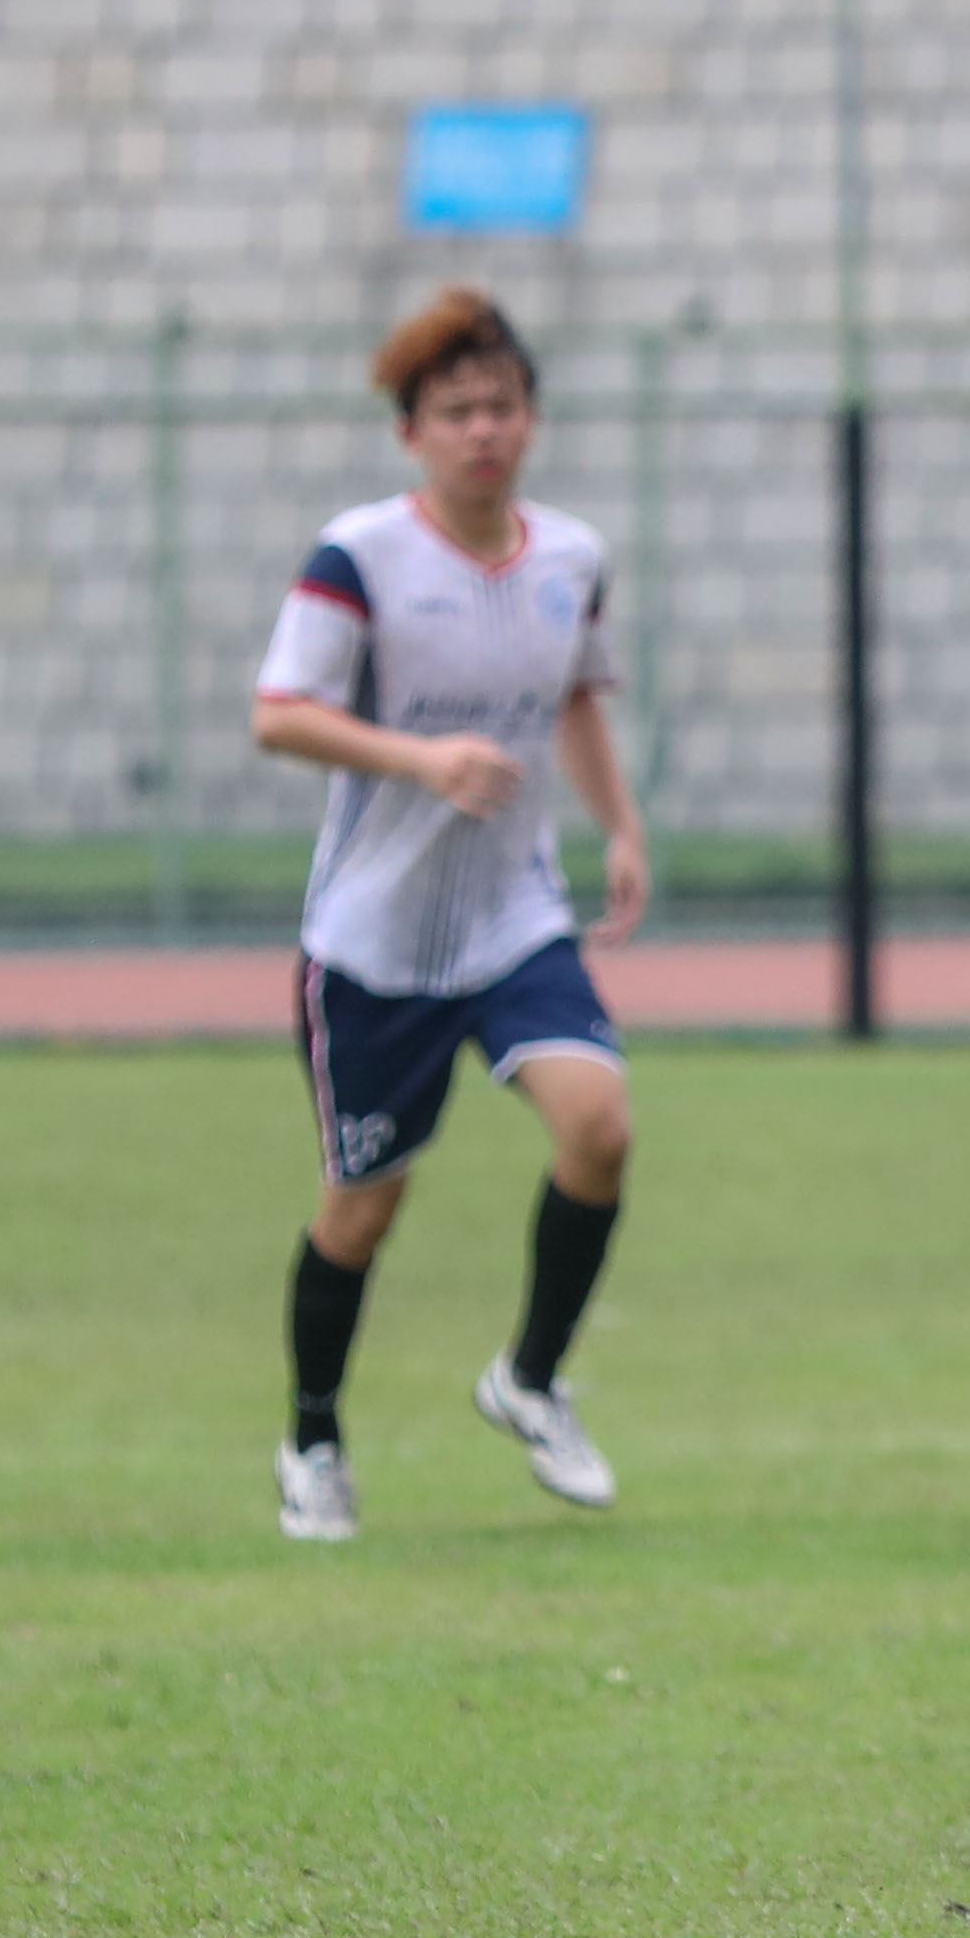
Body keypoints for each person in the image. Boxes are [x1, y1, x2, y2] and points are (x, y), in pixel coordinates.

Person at [253, 286, 647, 1544]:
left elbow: (576, 697)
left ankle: (530, 1379)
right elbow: (279, 715)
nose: (484, 430)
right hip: (374, 940)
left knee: (599, 1126)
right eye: (457, 411)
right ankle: (314, 1440)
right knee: (364, 1209)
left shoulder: (570, 559)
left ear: (532, 419)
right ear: (412, 431)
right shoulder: (359, 556)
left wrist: (620, 827)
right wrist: (422, 761)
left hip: (513, 920)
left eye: (503, 407)